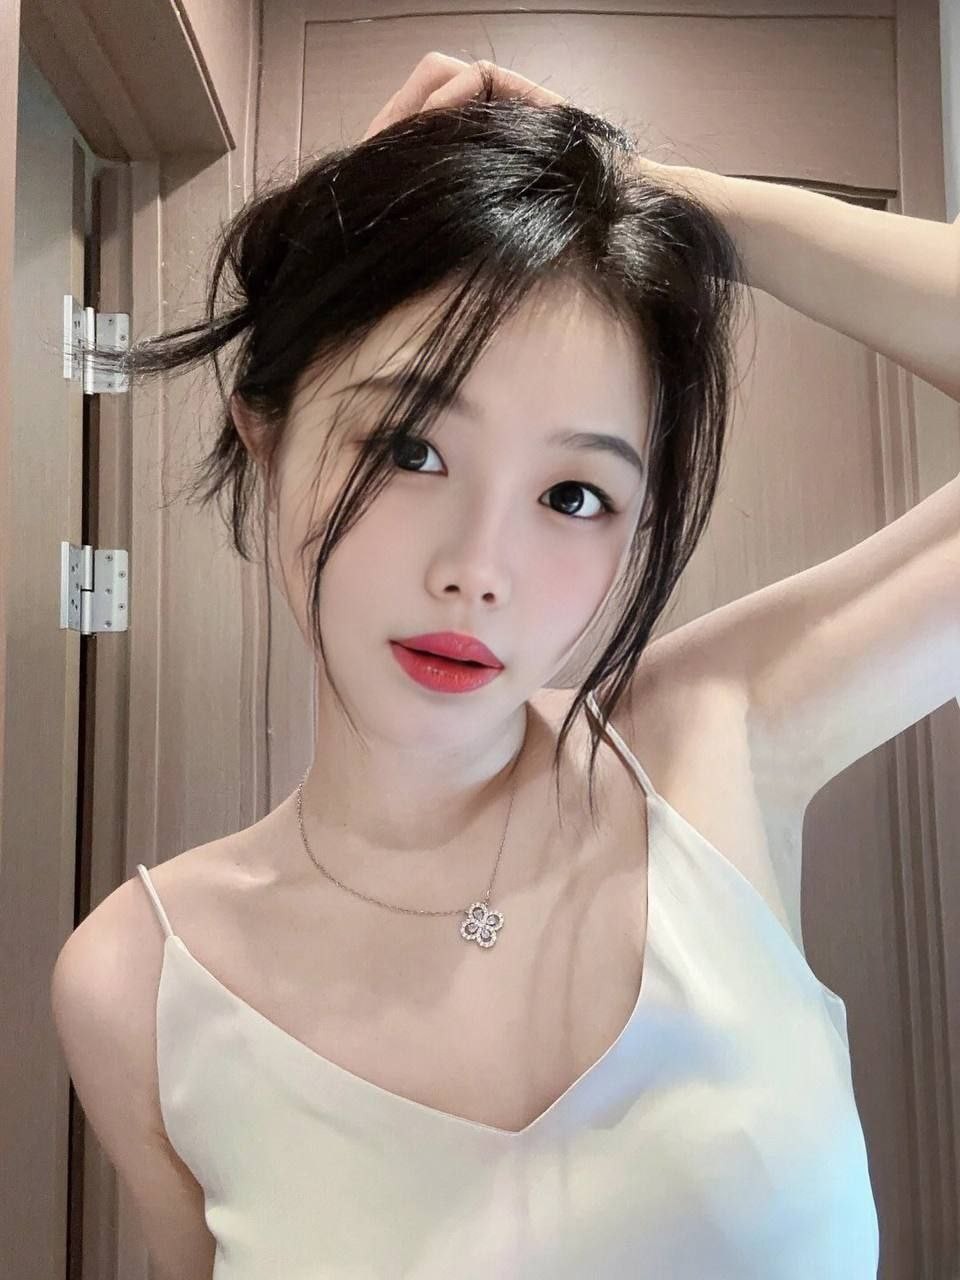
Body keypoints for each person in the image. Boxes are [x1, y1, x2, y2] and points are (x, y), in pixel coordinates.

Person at [51, 53, 959, 1280]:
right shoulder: (140, 987)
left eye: (574, 494)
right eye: (409, 447)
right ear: (266, 435)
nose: (478, 569)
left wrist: (665, 205)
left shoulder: (712, 734)